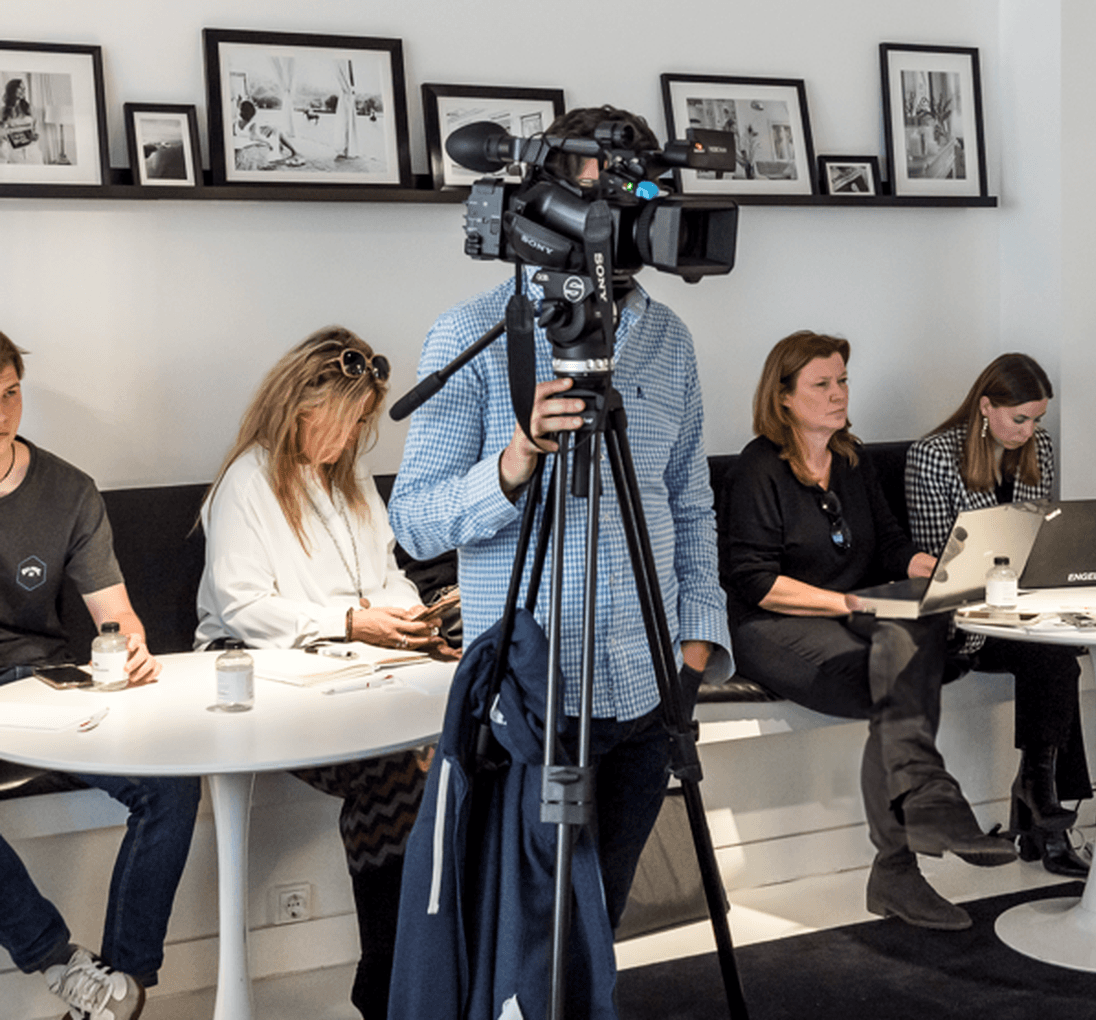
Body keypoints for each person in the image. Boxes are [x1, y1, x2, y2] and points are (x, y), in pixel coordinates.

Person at [387, 101, 732, 954]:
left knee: (598, 928)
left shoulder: (671, 341)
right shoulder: (471, 335)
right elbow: (416, 524)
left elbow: (691, 506)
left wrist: (694, 653)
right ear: (544, 206)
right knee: (524, 937)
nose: (620, 222)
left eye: (637, 196)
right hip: (531, 698)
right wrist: (515, 458)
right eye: (600, 199)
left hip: (650, 689)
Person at [195, 326, 450, 1020]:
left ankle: (414, 972)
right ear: (299, 407)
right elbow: (243, 607)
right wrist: (351, 624)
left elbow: (387, 575)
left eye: (359, 426)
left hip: (348, 662)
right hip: (250, 669)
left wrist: (415, 618)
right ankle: (392, 979)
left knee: (453, 736)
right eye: (339, 424)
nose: (346, 442)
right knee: (393, 768)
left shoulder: (349, 479)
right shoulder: (248, 480)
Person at [721, 331, 1015, 933]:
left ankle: (909, 847)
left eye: (843, 381)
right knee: (898, 671)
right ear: (783, 399)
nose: (838, 394)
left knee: (918, 637)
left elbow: (889, 545)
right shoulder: (759, 469)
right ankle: (914, 835)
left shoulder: (850, 460)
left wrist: (934, 566)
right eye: (822, 384)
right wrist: (847, 600)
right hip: (773, 625)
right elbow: (754, 582)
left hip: (854, 614)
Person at [1, 330, 200, 1020]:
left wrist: (133, 648)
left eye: (10, 394)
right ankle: (60, 962)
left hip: (39, 684)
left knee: (172, 785)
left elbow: (117, 617)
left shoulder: (67, 491)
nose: (1, 415)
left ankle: (121, 988)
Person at [904, 352, 1093, 876]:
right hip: (963, 622)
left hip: (1022, 611)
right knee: (1056, 659)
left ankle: (1039, 791)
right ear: (986, 406)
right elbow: (937, 562)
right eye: (1020, 419)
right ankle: (1043, 805)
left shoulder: (1041, 449)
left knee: (1056, 652)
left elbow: (1043, 541)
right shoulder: (933, 455)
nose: (1029, 431)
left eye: (1037, 420)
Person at [1, 78, 42, 165]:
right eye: (20, 87)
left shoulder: (30, 108)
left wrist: (36, 135)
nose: (23, 90)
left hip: (32, 151)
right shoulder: (3, 111)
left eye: (24, 88)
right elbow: (1, 133)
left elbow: (37, 126)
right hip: (14, 154)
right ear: (11, 90)